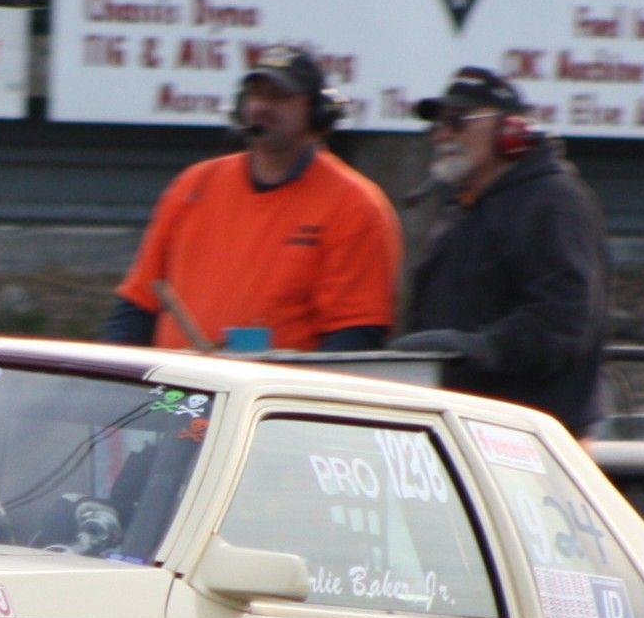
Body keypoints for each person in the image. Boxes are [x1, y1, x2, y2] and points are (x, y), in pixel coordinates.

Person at [99, 48, 401, 353]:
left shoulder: (354, 205)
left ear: (316, 112)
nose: (263, 107)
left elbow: (354, 336)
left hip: (277, 398)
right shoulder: (193, 185)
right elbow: (137, 306)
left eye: (280, 97)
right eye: (257, 94)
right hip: (178, 394)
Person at [399, 66, 612, 434]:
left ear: (511, 132)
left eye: (458, 121)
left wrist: (479, 348)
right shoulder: (464, 207)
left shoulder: (553, 203)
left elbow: (563, 320)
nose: (442, 134)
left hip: (531, 437)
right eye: (438, 124)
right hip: (470, 427)